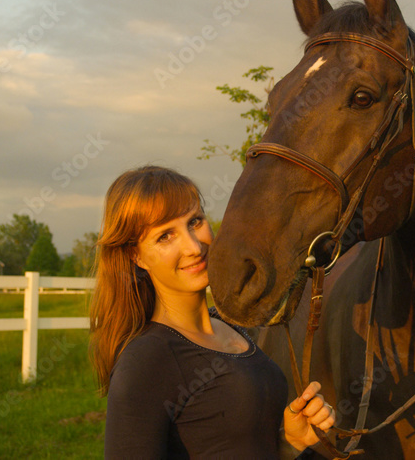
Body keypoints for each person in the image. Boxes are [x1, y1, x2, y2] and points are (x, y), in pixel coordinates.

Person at [90, 165, 337, 459]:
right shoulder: (147, 359)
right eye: (165, 236)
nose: (194, 246)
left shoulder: (227, 325)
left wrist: (290, 443)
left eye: (194, 221)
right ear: (136, 255)